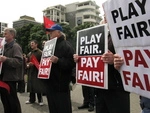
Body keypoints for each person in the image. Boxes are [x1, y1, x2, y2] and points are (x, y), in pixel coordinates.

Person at [73, 19, 130, 113]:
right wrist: (81, 59)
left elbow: (135, 59)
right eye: (104, 16)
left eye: (106, 16)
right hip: (100, 90)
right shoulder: (102, 37)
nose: (104, 19)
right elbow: (94, 57)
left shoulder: (123, 34)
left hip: (117, 89)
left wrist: (115, 60)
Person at [45, 24, 75, 113]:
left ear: (58, 33)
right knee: (53, 107)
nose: (49, 33)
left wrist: (58, 60)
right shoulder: (49, 46)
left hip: (61, 84)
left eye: (52, 31)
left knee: (63, 108)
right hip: (50, 84)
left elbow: (72, 63)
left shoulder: (66, 45)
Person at [0, 28, 23, 113]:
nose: (3, 35)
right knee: (5, 100)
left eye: (5, 34)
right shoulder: (3, 47)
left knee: (12, 101)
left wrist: (6, 59)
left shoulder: (16, 46)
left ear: (12, 35)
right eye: (3, 34)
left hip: (10, 78)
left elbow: (19, 62)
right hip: (3, 77)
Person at [25, 40, 44, 106]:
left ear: (36, 44)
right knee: (31, 86)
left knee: (38, 86)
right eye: (31, 44)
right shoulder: (29, 53)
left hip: (37, 71)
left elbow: (43, 62)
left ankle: (40, 100)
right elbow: (26, 62)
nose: (31, 45)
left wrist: (36, 64)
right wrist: (28, 64)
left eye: (32, 44)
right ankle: (31, 99)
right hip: (30, 71)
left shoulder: (40, 53)